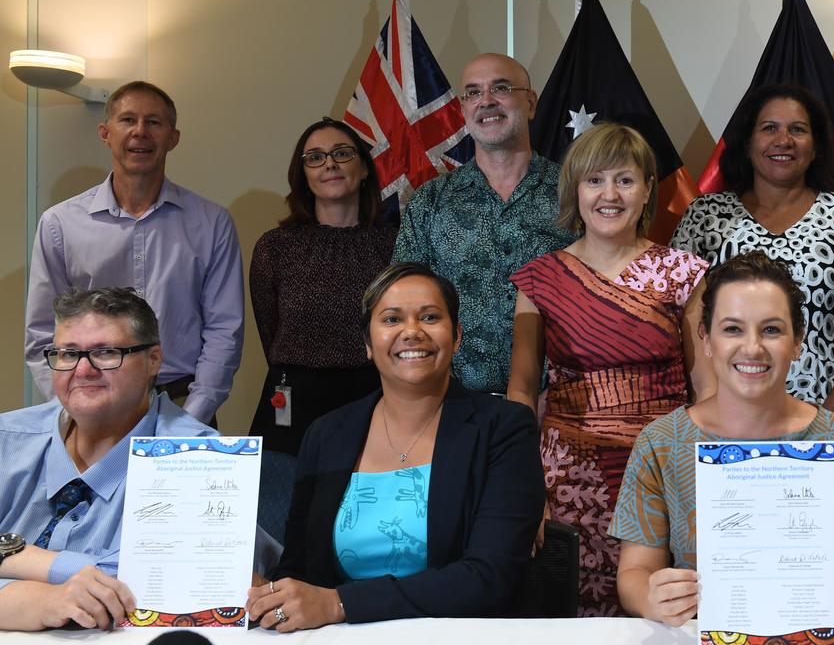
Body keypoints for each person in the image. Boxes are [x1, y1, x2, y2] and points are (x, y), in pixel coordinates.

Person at [610, 251, 834, 630]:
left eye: (771, 330)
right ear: (706, 338)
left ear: (798, 341)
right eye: (732, 329)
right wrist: (654, 597)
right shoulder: (661, 443)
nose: (752, 348)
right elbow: (634, 574)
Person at [246, 263, 543, 631]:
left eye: (430, 317)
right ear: (368, 345)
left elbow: (490, 577)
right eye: (391, 320)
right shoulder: (327, 434)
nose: (412, 332)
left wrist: (341, 603)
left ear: (457, 336)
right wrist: (268, 592)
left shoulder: (504, 428)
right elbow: (300, 569)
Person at [507, 123, 709, 615]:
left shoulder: (686, 273)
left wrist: (713, 473)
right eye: (595, 180)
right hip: (568, 476)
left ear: (647, 192)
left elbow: (707, 383)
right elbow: (521, 388)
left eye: (625, 180)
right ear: (575, 191)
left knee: (670, 608)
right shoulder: (539, 278)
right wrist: (523, 483)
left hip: (667, 465)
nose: (609, 194)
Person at [24, 81, 244, 424]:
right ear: (105, 132)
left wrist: (191, 419)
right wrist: (71, 405)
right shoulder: (60, 224)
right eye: (127, 120)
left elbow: (224, 331)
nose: (140, 132)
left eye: (154, 122)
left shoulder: (212, 224)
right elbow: (41, 334)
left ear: (173, 137)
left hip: (181, 407)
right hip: (90, 405)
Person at [0, 287, 219, 630]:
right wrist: (37, 594)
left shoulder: (199, 458)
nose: (83, 370)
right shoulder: (7, 439)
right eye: (67, 354)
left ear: (154, 360)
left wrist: (15, 561)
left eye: (105, 352)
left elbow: (173, 587)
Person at [671, 83, 834, 418]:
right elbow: (684, 320)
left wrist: (830, 420)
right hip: (726, 420)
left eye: (797, 129)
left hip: (827, 419)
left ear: (816, 147)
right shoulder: (705, 217)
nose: (783, 140)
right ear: (747, 143)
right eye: (769, 128)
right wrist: (712, 412)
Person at [393, 53, 574, 394]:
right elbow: (405, 304)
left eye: (501, 88)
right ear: (463, 111)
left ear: (531, 103)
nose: (486, 101)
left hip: (562, 407)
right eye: (473, 93)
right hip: (455, 406)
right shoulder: (430, 202)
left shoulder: (575, 195)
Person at [248, 117, 396, 455]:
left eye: (342, 153)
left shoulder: (396, 246)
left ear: (363, 169)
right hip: (294, 406)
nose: (329, 163)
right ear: (303, 176)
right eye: (314, 157)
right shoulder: (275, 248)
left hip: (377, 400)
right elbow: (271, 335)